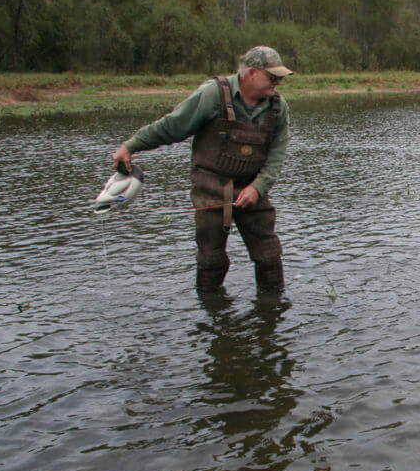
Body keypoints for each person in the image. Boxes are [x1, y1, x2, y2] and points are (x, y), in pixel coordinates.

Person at [112, 46, 292, 292]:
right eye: (272, 78)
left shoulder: (278, 108)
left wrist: (257, 188)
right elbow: (172, 127)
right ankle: (211, 313)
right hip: (210, 188)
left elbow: (277, 156)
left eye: (280, 78)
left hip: (252, 189)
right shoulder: (212, 95)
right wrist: (131, 146)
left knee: (269, 257)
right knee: (212, 260)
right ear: (251, 73)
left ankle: (271, 315)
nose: (277, 83)